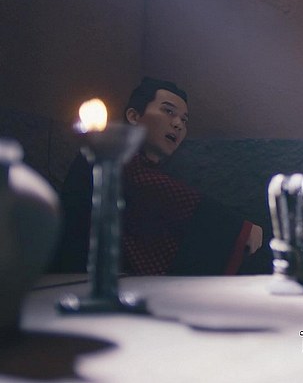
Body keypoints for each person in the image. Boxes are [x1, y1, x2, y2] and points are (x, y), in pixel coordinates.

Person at [52, 77, 265, 275]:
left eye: (184, 120)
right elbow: (164, 194)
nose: (178, 124)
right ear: (134, 116)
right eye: (168, 111)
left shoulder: (145, 169)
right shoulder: (110, 157)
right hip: (74, 273)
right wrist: (241, 229)